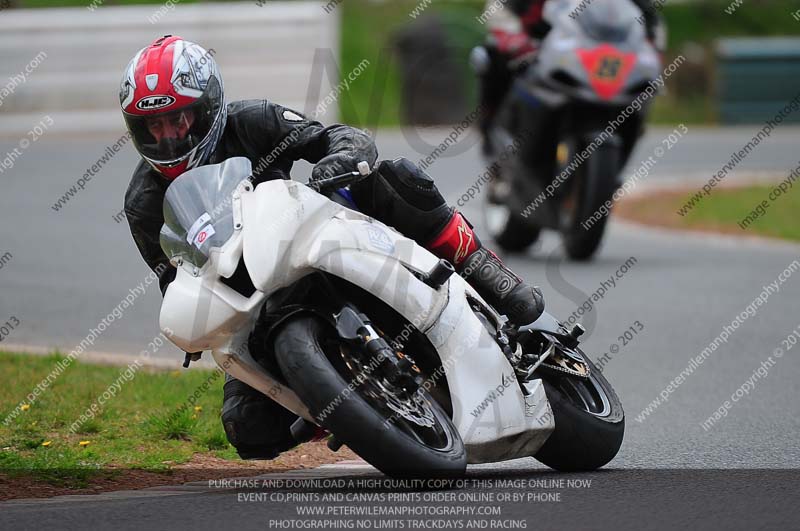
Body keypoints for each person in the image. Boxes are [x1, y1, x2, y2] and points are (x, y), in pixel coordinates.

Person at [121, 35, 545, 460]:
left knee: (394, 178)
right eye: (153, 127)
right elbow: (175, 278)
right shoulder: (143, 203)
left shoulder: (252, 120)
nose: (169, 137)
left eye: (179, 120)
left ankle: (479, 264)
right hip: (252, 297)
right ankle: (338, 404)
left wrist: (338, 160)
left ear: (209, 108)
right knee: (247, 429)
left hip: (313, 236)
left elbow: (336, 138)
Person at [476, 0, 664, 145]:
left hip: (585, 49)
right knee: (495, 56)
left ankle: (631, 126)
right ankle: (492, 131)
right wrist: (523, 32)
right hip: (530, 32)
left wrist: (648, 38)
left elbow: (644, 16)